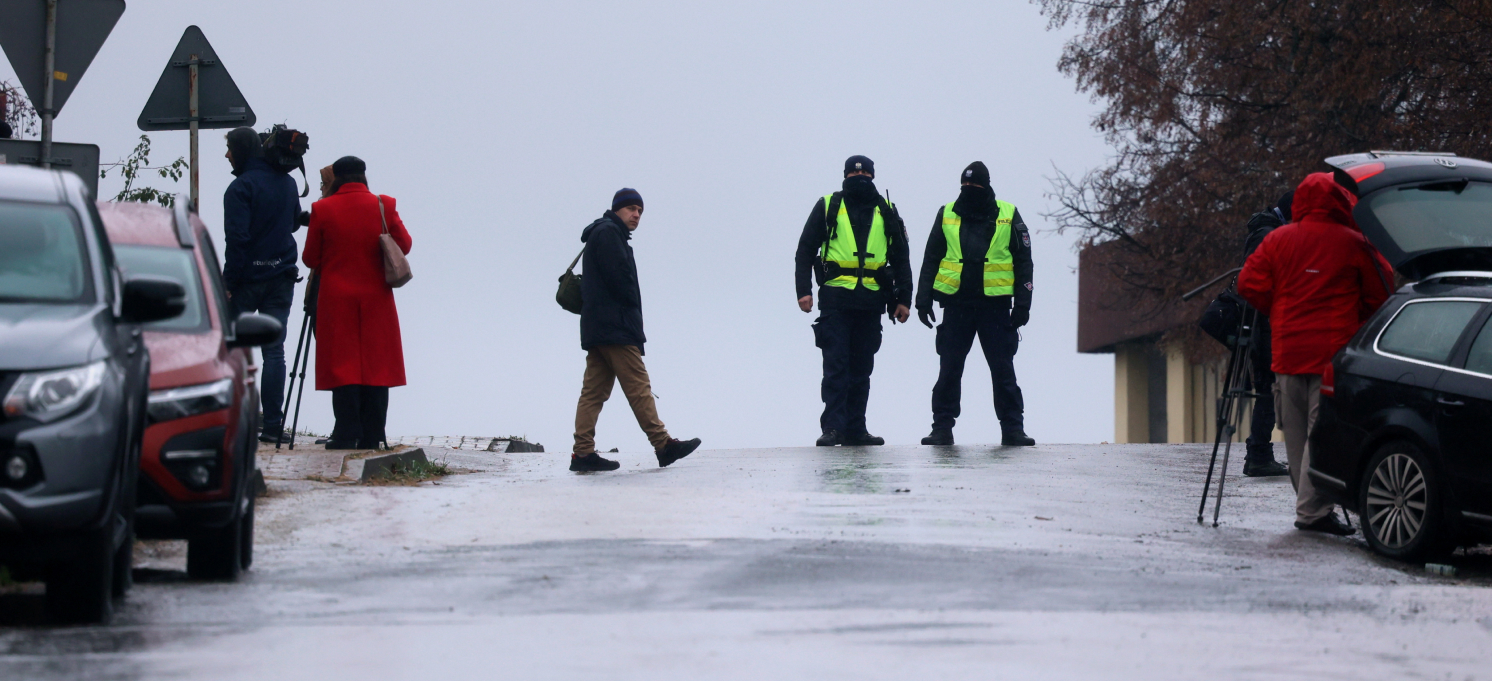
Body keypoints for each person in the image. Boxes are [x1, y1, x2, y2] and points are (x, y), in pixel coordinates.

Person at [1237, 172, 1393, 535]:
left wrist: (1277, 309)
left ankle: (1312, 507)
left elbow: (1248, 284)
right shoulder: (1354, 243)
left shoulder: (1277, 240)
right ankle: (1312, 512)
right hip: (1332, 356)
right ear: (1341, 202)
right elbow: (1382, 293)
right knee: (1321, 434)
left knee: (1295, 438)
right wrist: (1358, 320)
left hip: (1287, 352)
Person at [569, 188, 702, 472]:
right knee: (639, 388)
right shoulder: (608, 234)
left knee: (593, 392)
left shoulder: (603, 233)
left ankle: (582, 453)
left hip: (599, 328)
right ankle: (663, 444)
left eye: (640, 211)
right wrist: (631, 310)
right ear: (617, 209)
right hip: (616, 328)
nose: (636, 215)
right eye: (631, 209)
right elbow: (620, 281)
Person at [794, 155, 913, 447]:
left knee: (861, 370)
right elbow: (805, 249)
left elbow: (900, 257)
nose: (859, 178)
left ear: (872, 176)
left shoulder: (886, 210)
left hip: (871, 301)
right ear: (846, 176)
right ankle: (833, 428)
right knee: (836, 368)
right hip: (836, 300)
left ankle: (856, 429)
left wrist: (904, 299)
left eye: (864, 174)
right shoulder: (829, 205)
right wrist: (803, 290)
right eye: (854, 174)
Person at [914, 162, 1035, 447]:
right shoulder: (946, 213)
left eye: (975, 186)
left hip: (995, 307)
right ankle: (941, 428)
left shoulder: (1008, 213)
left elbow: (1023, 261)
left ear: (987, 185)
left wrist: (1023, 304)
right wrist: (922, 299)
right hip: (956, 305)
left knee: (1003, 370)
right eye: (965, 186)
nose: (970, 190)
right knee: (949, 369)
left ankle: (1013, 429)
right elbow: (931, 257)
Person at [302, 156, 410, 450]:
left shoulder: (322, 209)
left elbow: (310, 258)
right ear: (364, 176)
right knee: (376, 366)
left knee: (343, 366)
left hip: (337, 299)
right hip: (377, 298)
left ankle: (347, 432)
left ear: (336, 178)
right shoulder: (383, 204)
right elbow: (406, 244)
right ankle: (374, 433)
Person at [222, 127, 302, 444]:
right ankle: (272, 426)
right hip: (280, 277)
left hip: (246, 281)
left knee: (233, 351)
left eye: (229, 148)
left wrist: (229, 283)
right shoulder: (289, 183)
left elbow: (237, 241)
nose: (227, 154)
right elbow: (295, 222)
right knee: (274, 352)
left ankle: (231, 421)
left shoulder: (239, 188)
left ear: (242, 150)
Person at [1237, 192, 1293, 477]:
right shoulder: (1267, 234)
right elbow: (1256, 280)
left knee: (1268, 389)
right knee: (1269, 388)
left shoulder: (1264, 229)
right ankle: (1258, 454)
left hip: (1260, 323)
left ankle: (1259, 453)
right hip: (1262, 325)